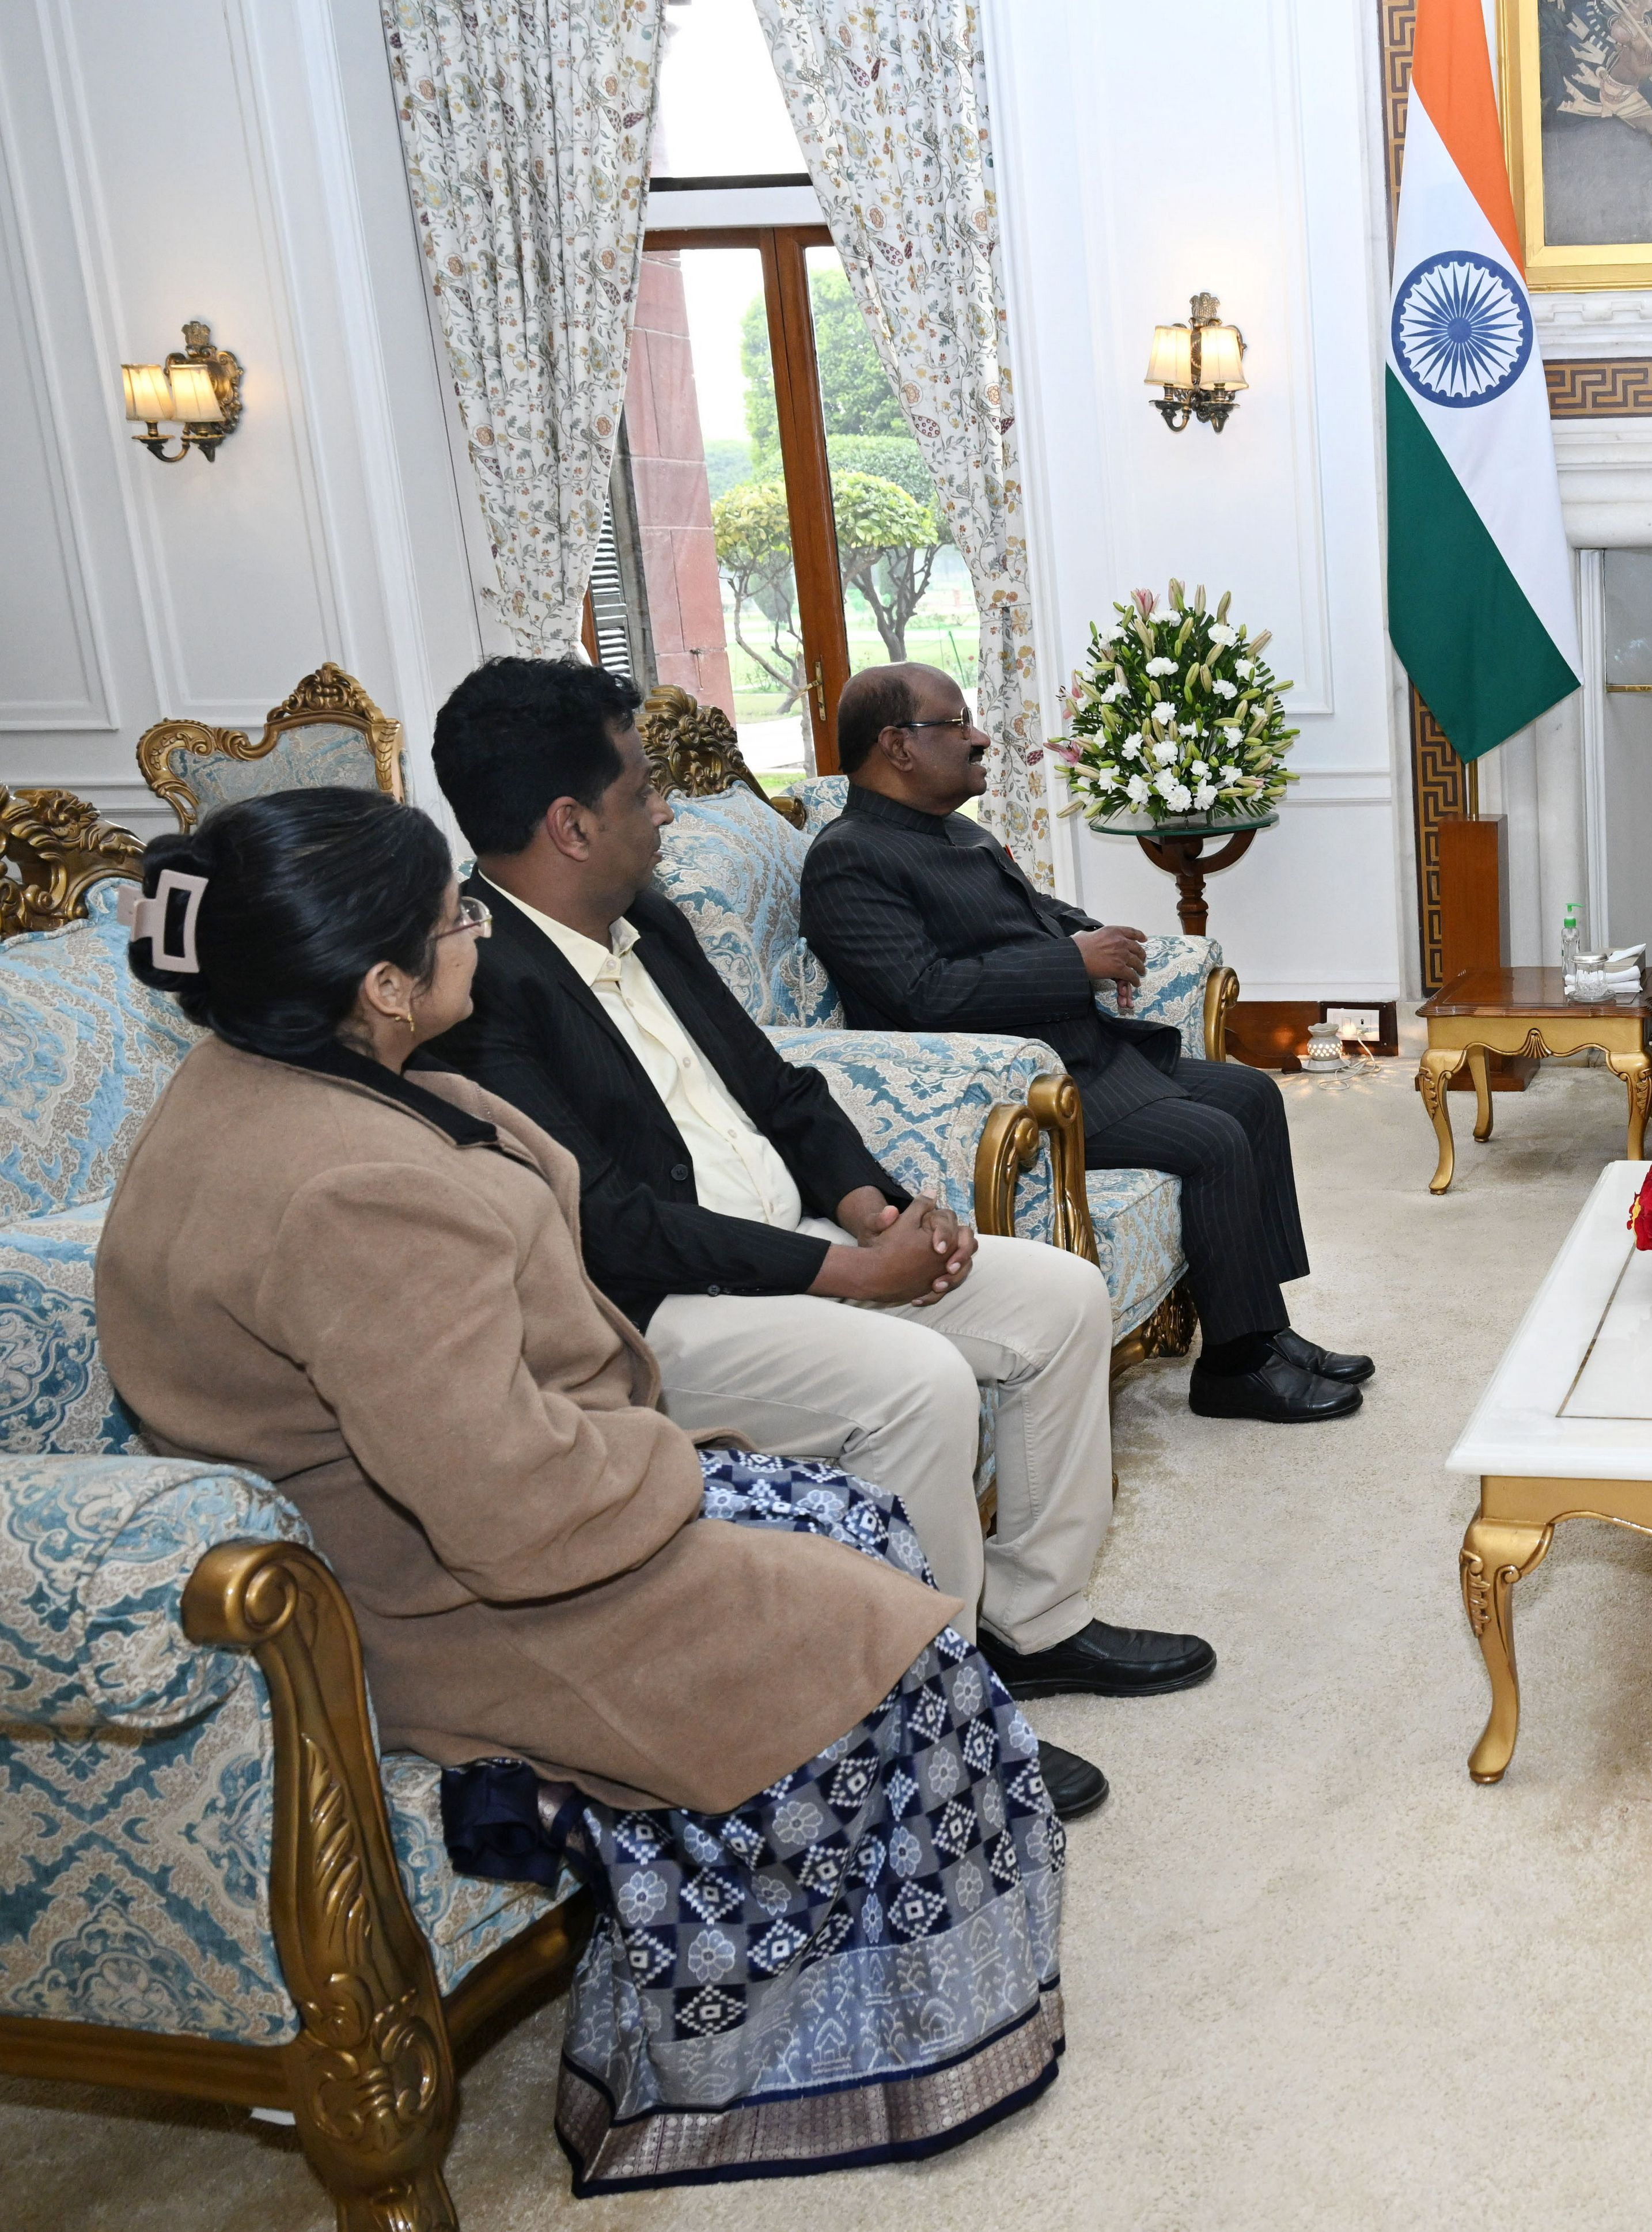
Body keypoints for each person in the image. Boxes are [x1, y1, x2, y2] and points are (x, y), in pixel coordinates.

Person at [94, 789, 1072, 2189]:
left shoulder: (266, 1078)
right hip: (469, 1604)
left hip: (474, 1529)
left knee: (863, 1530)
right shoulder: (345, 1189)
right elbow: (517, 1510)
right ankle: (787, 2059)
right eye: (453, 919)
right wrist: (684, 1460)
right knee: (905, 1653)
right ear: (383, 986)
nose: (477, 933)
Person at [427, 657, 1213, 1719]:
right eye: (643, 791)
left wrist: (874, 1209)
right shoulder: (477, 984)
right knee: (918, 1381)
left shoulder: (647, 917)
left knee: (1061, 1295)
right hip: (653, 1310)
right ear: (570, 825)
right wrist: (847, 1274)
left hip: (790, 1242)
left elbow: (779, 1087)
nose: (666, 812)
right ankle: (936, 1709)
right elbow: (611, 1225)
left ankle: (1036, 1624)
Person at [798, 664, 1364, 1424]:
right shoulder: (849, 857)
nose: (980, 737)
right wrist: (1074, 962)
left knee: (1253, 1094)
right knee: (1212, 1138)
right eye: (957, 723)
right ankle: (1233, 1369)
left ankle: (1262, 1328)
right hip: (1010, 1088)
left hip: (1079, 1054)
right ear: (897, 745)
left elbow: (1033, 913)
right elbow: (923, 993)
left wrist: (1095, 935)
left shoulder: (956, 830)